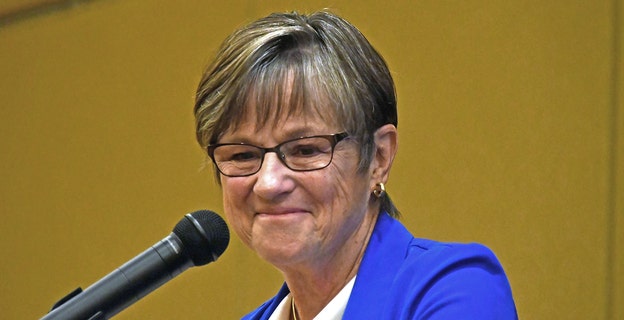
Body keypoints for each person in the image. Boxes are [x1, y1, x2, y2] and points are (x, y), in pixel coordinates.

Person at [193, 10, 517, 320]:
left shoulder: (454, 290)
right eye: (242, 155)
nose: (268, 183)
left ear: (379, 158)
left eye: (305, 150)